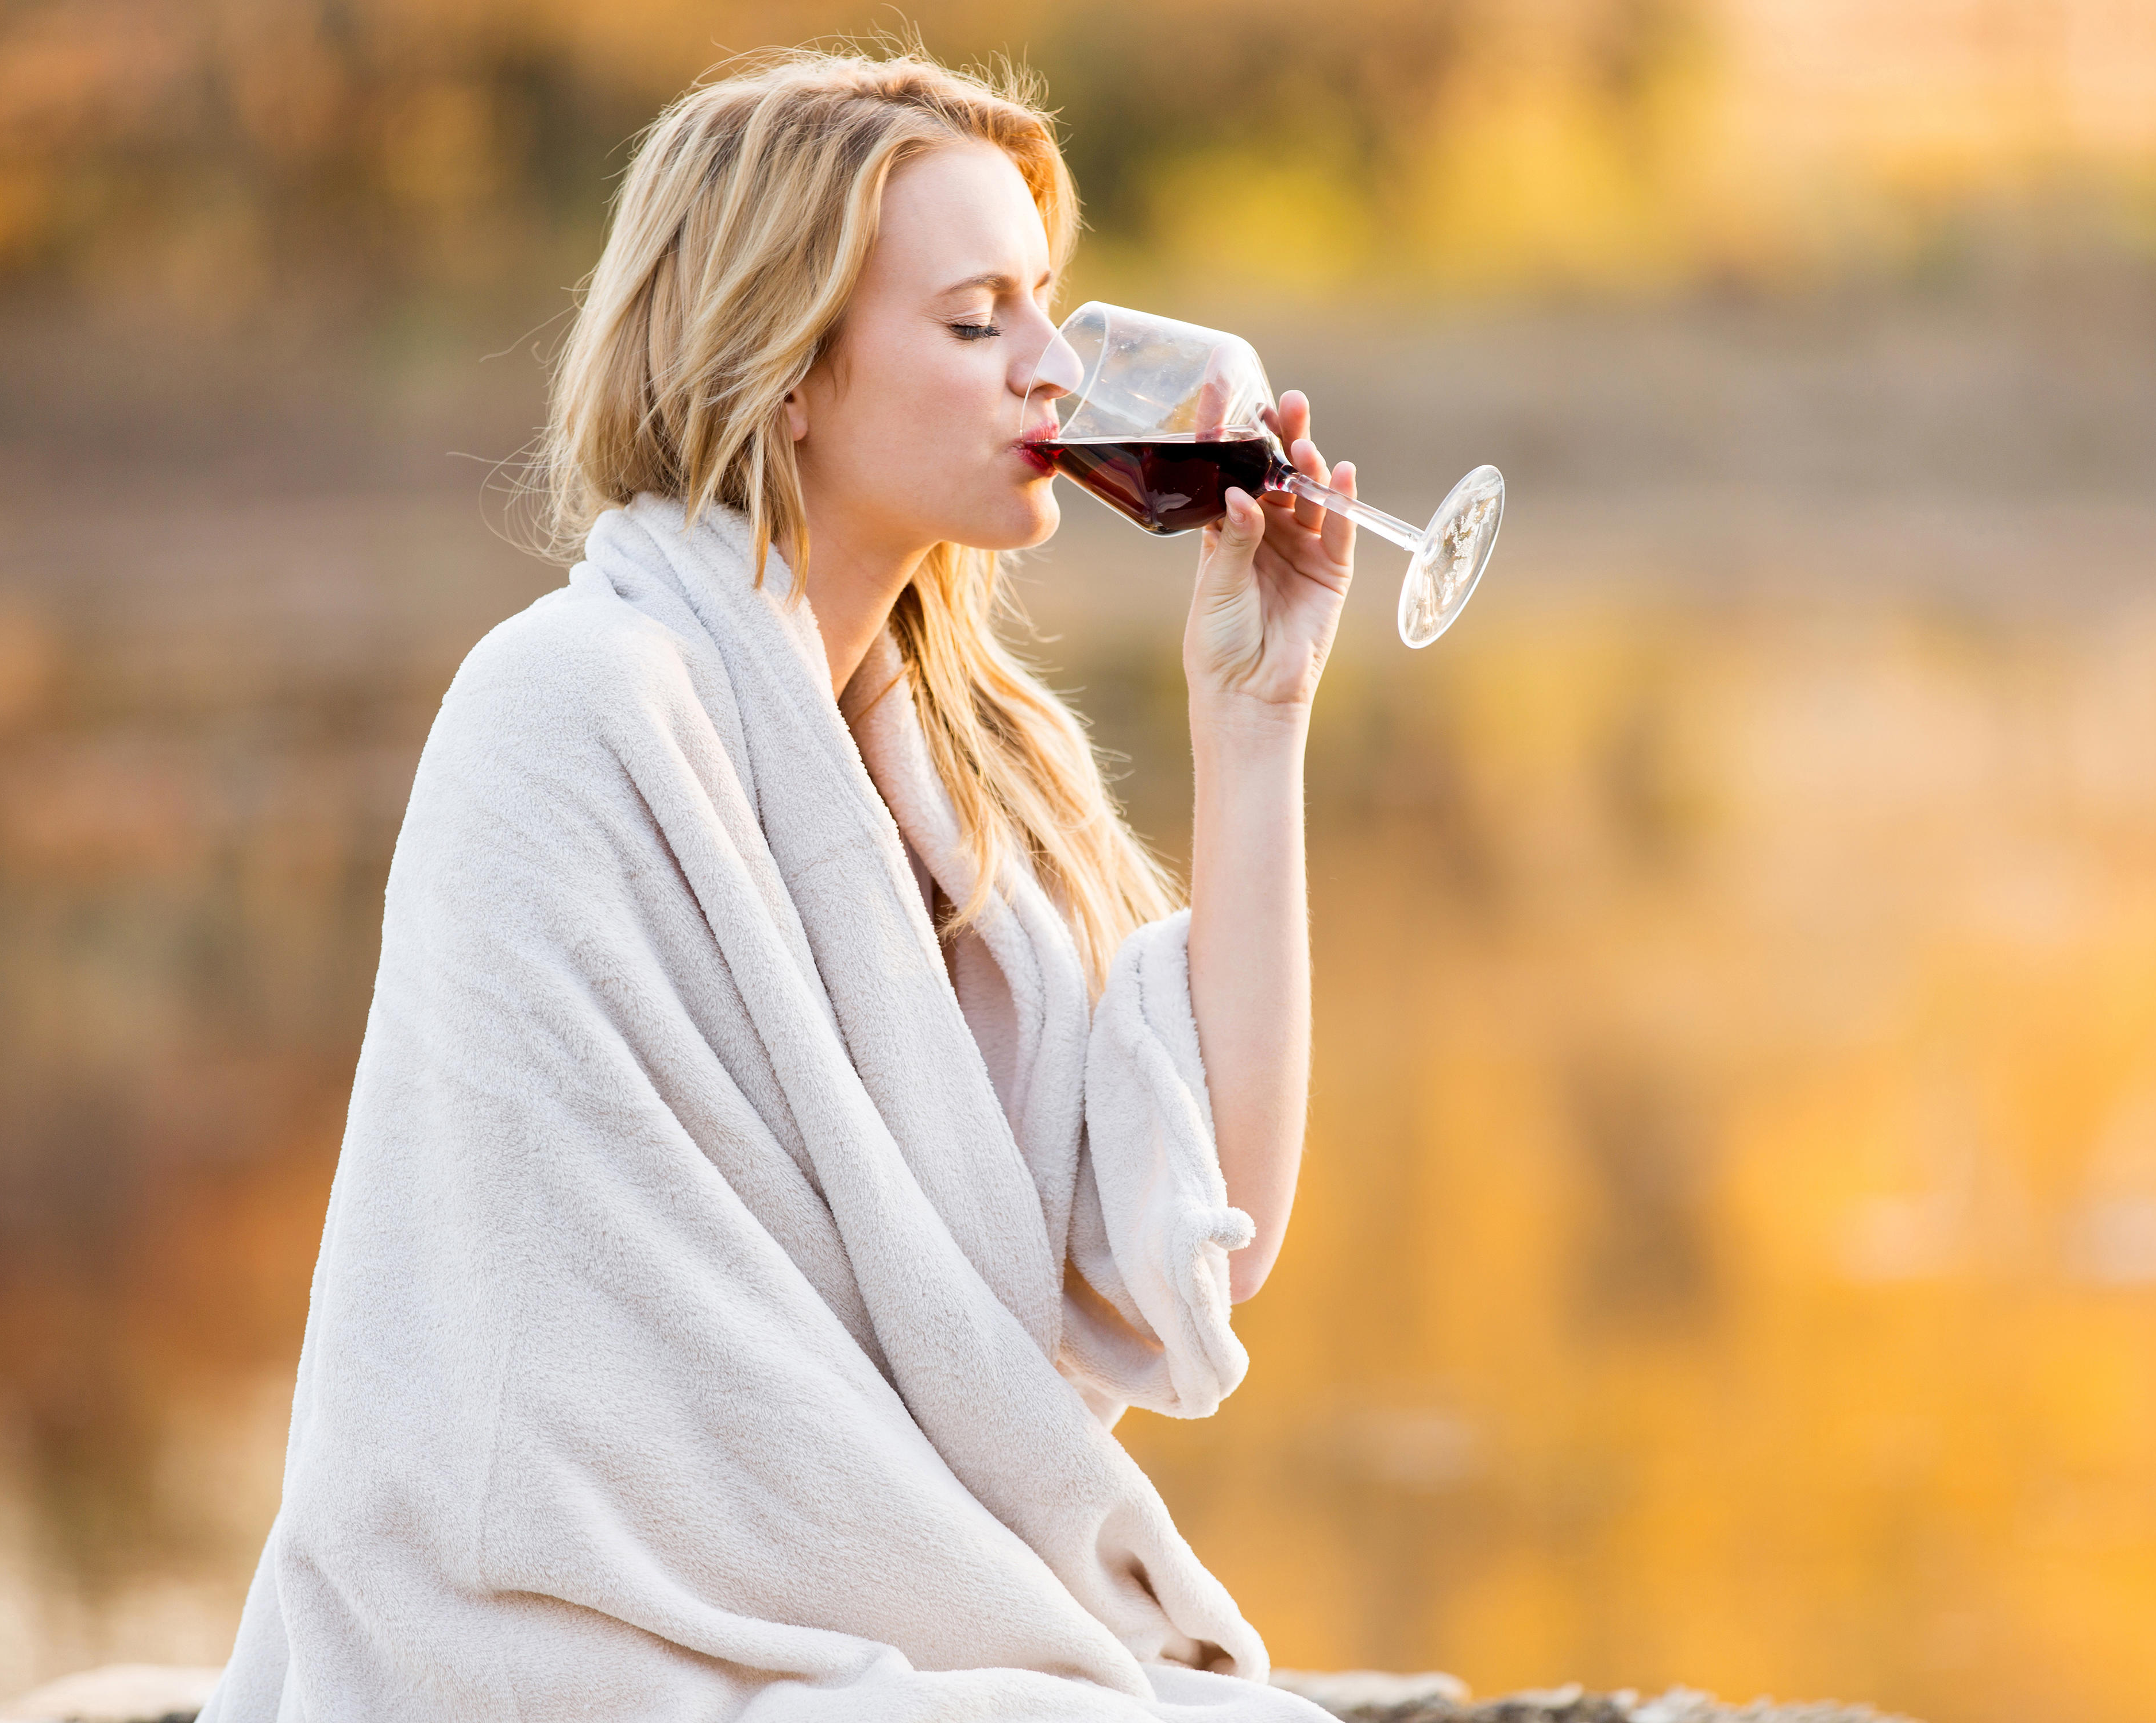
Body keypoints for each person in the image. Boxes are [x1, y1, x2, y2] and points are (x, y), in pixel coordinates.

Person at [198, 45, 1355, 1723]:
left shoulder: (950, 770)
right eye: (975, 324)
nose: (1053, 372)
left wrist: (1255, 716)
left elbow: (1212, 1229)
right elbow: (559, 1338)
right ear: (785, 367)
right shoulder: (572, 705)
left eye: (1047, 307)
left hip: (859, 1623)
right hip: (564, 1642)